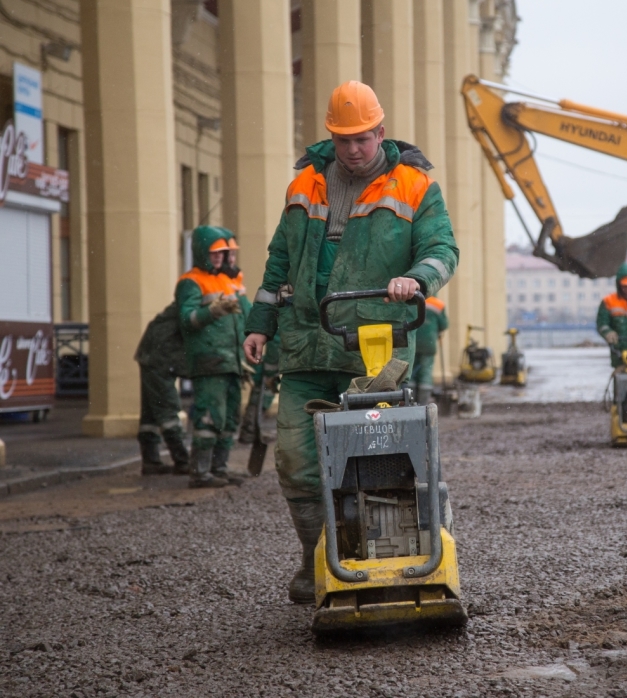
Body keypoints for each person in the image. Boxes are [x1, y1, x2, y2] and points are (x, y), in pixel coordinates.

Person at [241, 80, 459, 604]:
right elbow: (278, 258)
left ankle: (397, 552)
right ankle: (322, 560)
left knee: (382, 456)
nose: (354, 148)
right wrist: (258, 322)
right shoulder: (304, 185)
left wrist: (418, 279)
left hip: (375, 349)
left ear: (381, 132)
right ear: (331, 138)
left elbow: (442, 248)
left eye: (363, 138)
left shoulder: (414, 185)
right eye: (344, 139)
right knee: (296, 458)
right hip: (305, 347)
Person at [176, 226, 246, 488]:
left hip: (231, 361)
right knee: (209, 417)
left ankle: (219, 468)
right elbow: (186, 319)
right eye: (214, 253)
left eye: (223, 253)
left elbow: (242, 318)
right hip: (209, 361)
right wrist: (212, 312)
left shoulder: (225, 279)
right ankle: (201, 472)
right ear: (201, 252)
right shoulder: (191, 282)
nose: (220, 257)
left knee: (229, 419)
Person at [134, 303, 190, 475]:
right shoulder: (198, 295)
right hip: (159, 357)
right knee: (167, 407)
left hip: (153, 354)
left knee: (150, 413)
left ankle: (151, 461)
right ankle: (182, 461)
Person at [409, 296, 449, 404]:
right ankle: (423, 402)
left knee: (411, 371)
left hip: (412, 341)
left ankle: (410, 401)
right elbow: (444, 325)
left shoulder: (412, 300)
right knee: (426, 370)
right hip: (429, 344)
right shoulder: (438, 304)